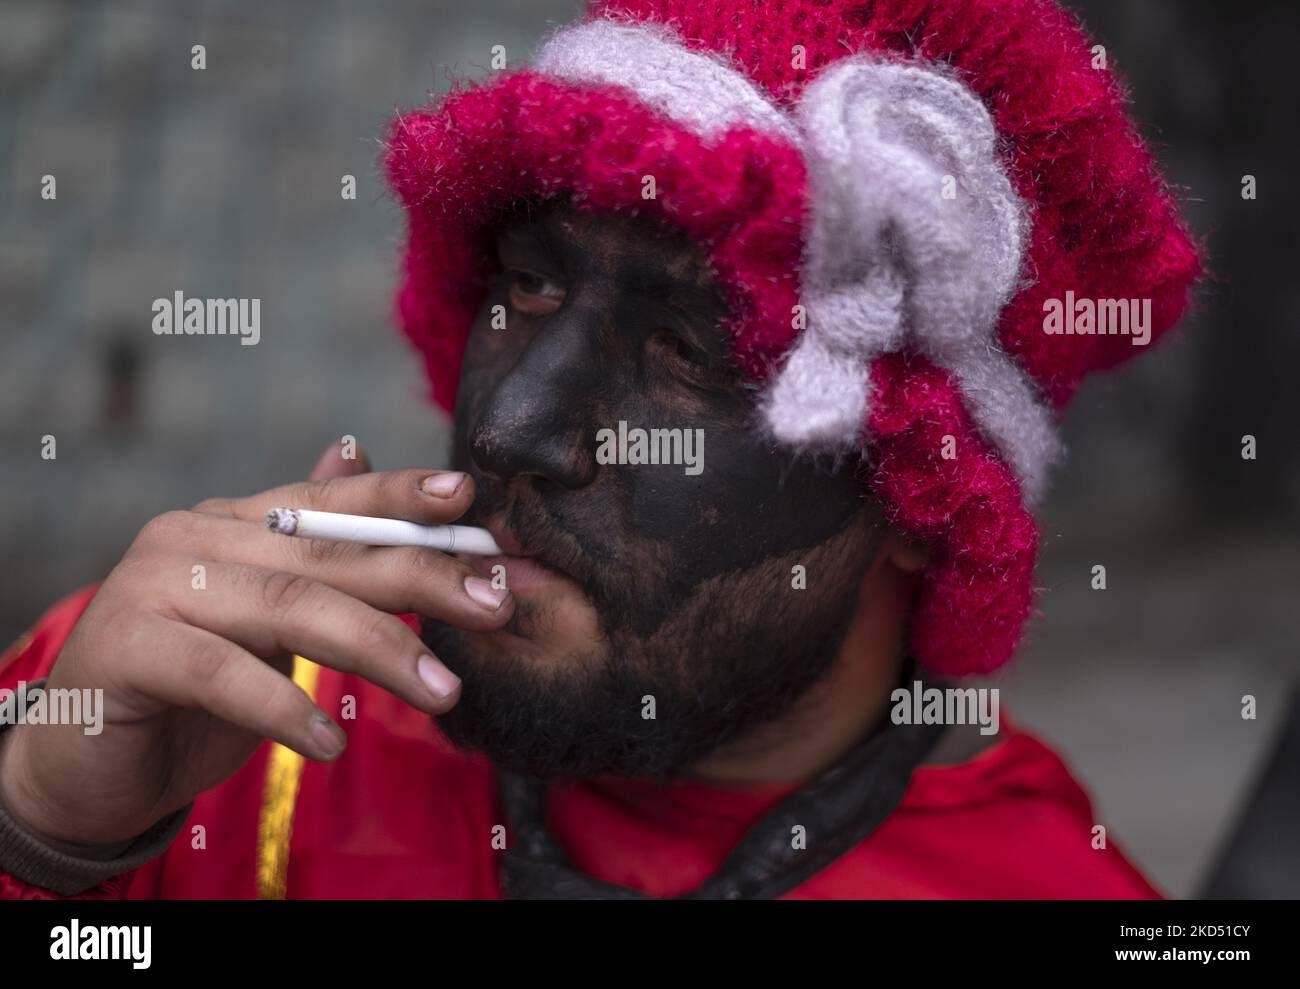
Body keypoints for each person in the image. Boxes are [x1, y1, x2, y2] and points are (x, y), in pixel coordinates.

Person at [0, 0, 1200, 899]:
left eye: (689, 351)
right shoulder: (194, 719)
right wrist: (50, 826)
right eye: (524, 285)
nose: (512, 428)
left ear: (916, 505)